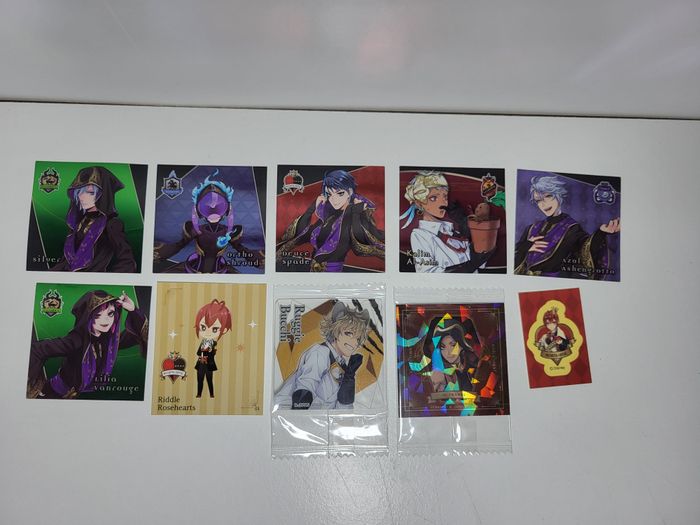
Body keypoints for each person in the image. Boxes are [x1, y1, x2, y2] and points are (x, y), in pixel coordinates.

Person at [27, 290, 148, 399]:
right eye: (98, 315)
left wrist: (133, 310)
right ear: (88, 317)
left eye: (110, 313)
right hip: (55, 395)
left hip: (81, 397)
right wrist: (34, 385)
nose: (106, 320)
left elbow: (139, 333)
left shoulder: (109, 340)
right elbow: (38, 349)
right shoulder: (76, 340)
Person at [154, 171, 263, 273]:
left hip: (221, 271)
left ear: (227, 209)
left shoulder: (230, 232)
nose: (213, 209)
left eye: (219, 206)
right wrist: (158, 253)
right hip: (192, 269)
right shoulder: (193, 229)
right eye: (207, 207)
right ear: (198, 210)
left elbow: (243, 251)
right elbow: (178, 246)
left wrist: (261, 258)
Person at [277, 170, 384, 272]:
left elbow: (360, 242)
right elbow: (303, 234)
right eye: (329, 194)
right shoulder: (329, 216)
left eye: (340, 193)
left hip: (333, 274)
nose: (334, 199)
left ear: (350, 192)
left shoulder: (355, 215)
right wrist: (311, 208)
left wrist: (356, 212)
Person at [514, 175, 620, 278]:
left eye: (548, 196)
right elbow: (513, 255)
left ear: (559, 195)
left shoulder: (572, 228)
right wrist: (525, 247)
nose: (543, 204)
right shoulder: (532, 228)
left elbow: (585, 250)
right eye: (538, 200)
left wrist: (601, 233)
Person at [274, 302, 370, 409]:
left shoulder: (343, 365)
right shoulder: (320, 352)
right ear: (335, 330)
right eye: (349, 333)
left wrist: (349, 379)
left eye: (358, 338)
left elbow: (342, 408)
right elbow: (306, 388)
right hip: (288, 411)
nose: (355, 343)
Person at [400, 171, 491, 273]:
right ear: (419, 203)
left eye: (445, 197)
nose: (443, 202)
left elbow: (480, 262)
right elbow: (427, 274)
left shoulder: (452, 230)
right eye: (433, 198)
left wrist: (470, 226)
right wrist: (470, 266)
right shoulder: (420, 235)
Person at [51, 166, 137, 272]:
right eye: (80, 192)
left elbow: (127, 262)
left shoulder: (112, 224)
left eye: (90, 192)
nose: (82, 197)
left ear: (103, 195)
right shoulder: (77, 223)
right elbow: (67, 261)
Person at [193, 299, 232, 398]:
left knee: (209, 380)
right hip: (200, 365)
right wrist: (203, 352)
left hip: (209, 365)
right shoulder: (203, 342)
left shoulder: (213, 343)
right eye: (203, 327)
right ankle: (199, 394)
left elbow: (212, 354)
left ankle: (211, 394)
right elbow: (198, 353)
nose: (208, 332)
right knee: (199, 380)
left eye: (214, 329)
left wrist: (210, 351)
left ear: (224, 330)